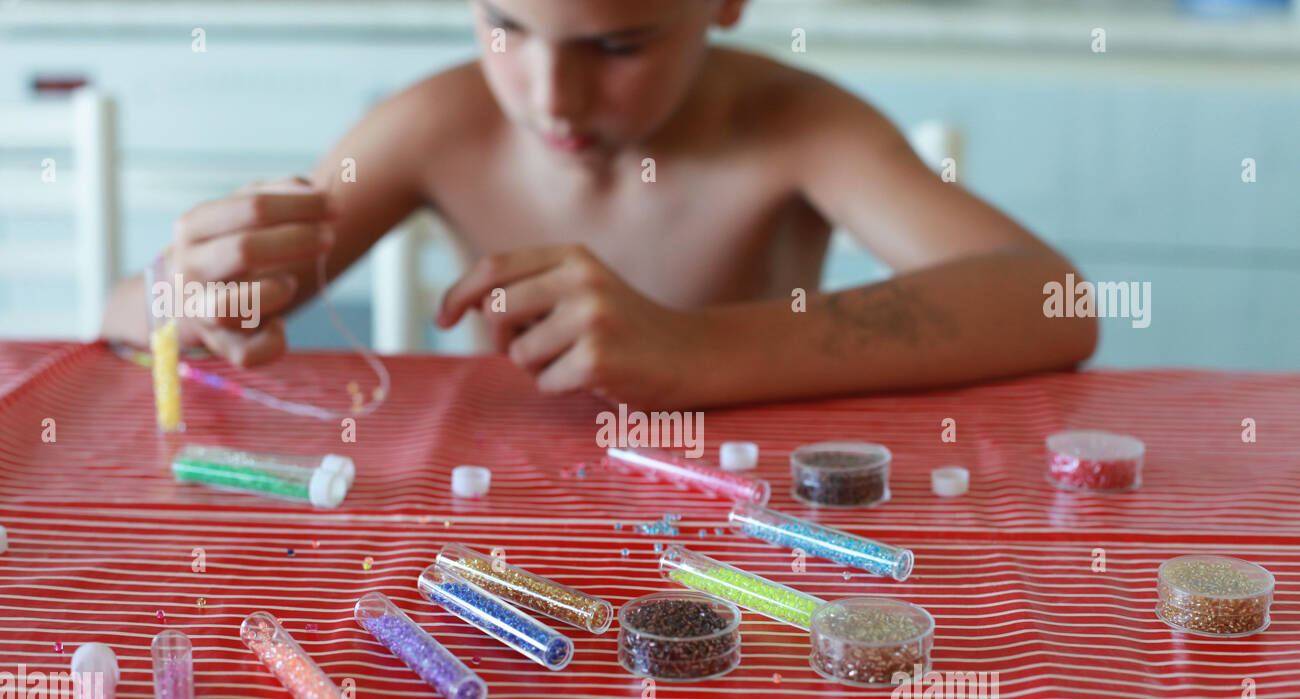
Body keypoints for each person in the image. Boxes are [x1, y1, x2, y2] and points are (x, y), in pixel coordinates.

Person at [103, 0, 1096, 409]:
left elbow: (1049, 299)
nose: (549, 95)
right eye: (504, 25)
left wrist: (696, 350)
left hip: (750, 529)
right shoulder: (432, 126)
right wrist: (184, 290)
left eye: (616, 46)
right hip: (505, 539)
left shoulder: (795, 124)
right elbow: (122, 319)